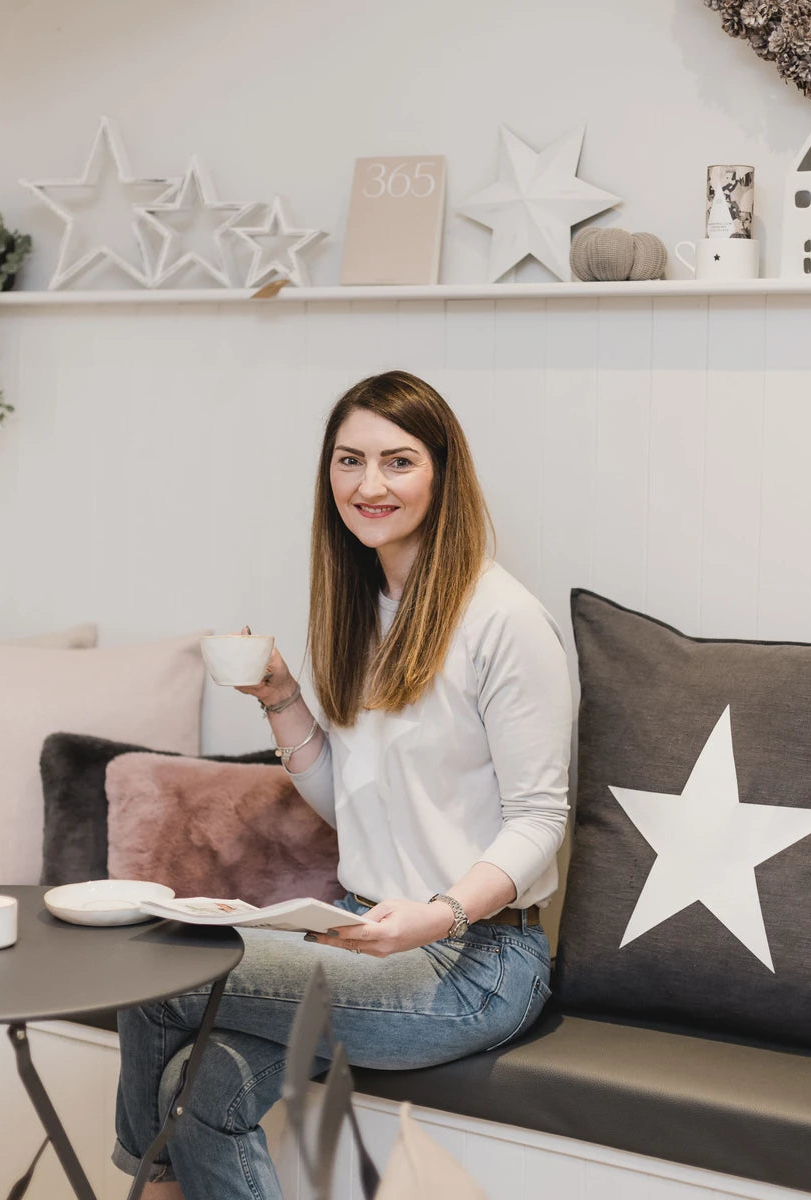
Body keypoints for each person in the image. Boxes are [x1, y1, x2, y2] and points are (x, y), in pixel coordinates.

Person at [113, 370, 573, 1199]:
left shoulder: (504, 621)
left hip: (475, 962)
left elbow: (540, 820)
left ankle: (145, 1190)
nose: (370, 485)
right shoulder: (365, 611)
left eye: (398, 462)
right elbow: (353, 809)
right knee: (200, 1086)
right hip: (362, 935)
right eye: (349, 461)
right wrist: (283, 698)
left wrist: (436, 913)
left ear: (443, 475)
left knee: (158, 973)